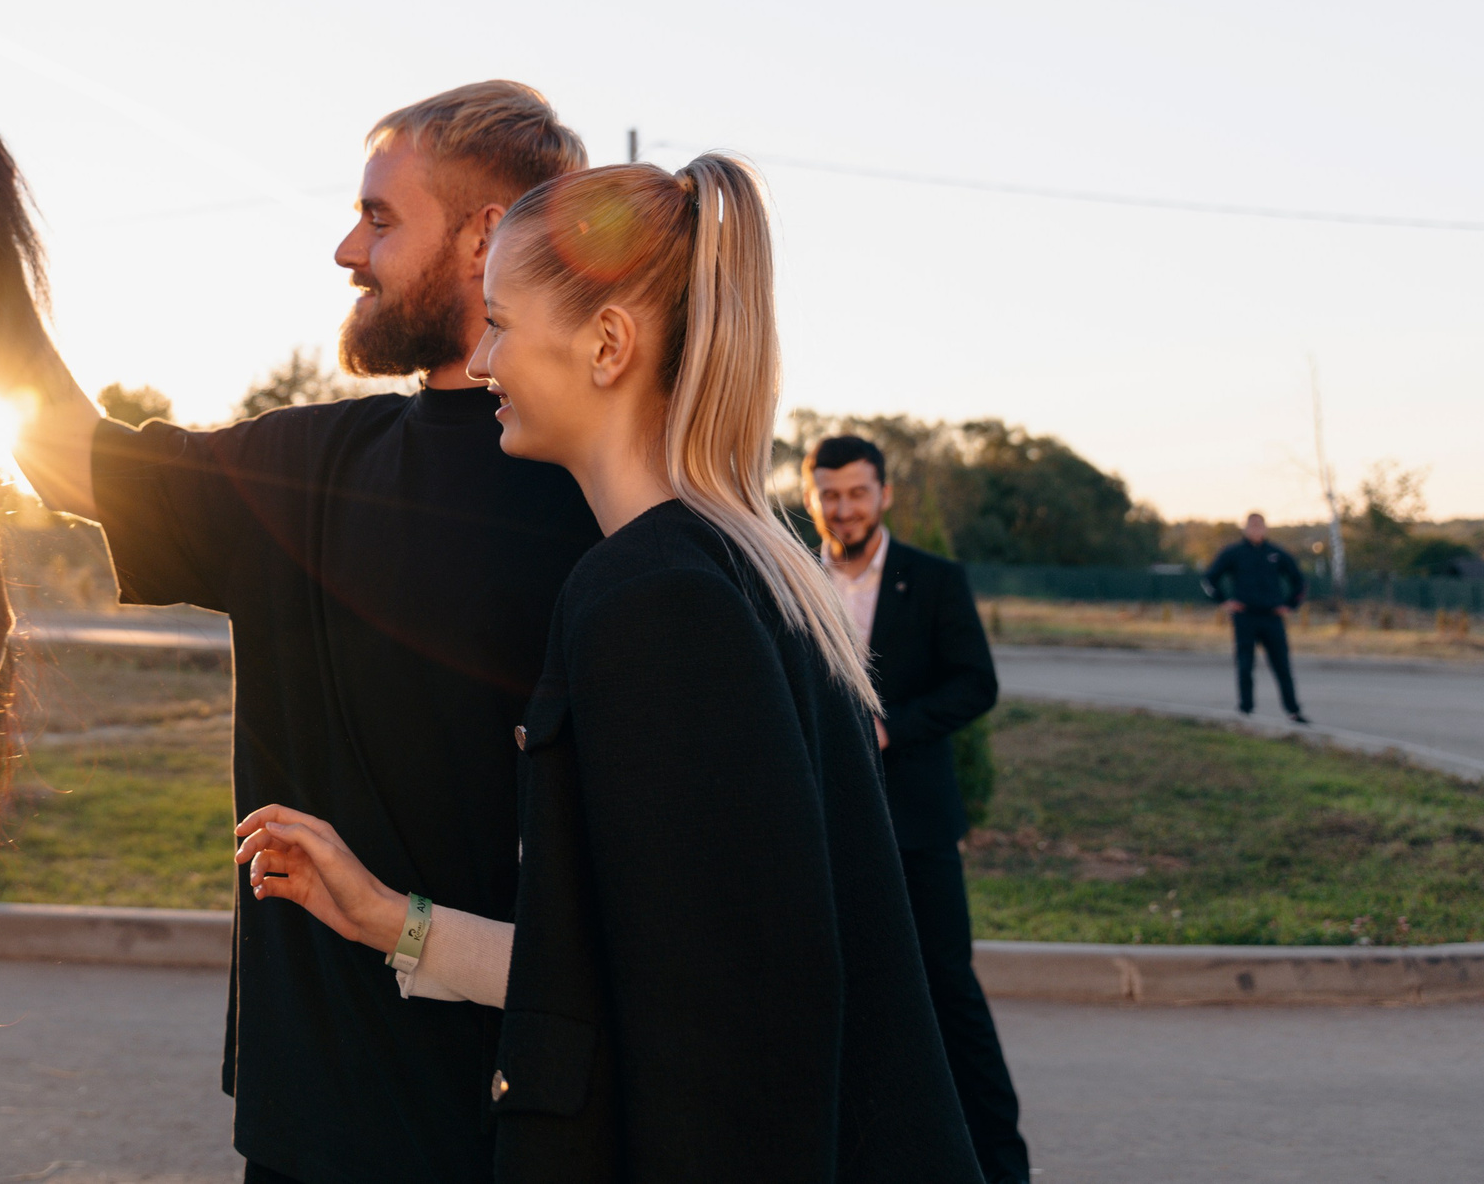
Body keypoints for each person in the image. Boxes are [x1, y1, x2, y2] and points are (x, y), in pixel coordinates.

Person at [233, 158, 980, 1183]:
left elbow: (730, 1062)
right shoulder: (738, 566)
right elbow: (646, 975)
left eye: (498, 322)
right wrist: (386, 919)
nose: (483, 358)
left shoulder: (650, 600)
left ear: (607, 343)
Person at [9, 83, 605, 1184]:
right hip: (339, 1127)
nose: (347, 248)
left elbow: (48, 447)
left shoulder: (622, 508)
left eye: (380, 218)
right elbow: (67, 456)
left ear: (485, 236)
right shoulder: (307, 464)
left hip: (527, 1128)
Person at [803, 435, 1030, 1184]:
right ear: (813, 496)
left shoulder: (934, 580)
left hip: (918, 822)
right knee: (833, 993)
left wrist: (889, 725)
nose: (844, 509)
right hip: (821, 821)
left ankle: (1001, 1165)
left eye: (857, 493)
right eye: (829, 494)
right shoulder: (792, 572)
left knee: (948, 991)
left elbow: (977, 683)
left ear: (885, 493)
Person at [1202, 512, 1308, 723]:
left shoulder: (1276, 553)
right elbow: (1209, 579)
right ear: (1246, 528)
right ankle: (1246, 710)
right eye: (1252, 526)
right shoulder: (1234, 553)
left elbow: (1299, 581)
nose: (1256, 529)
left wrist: (1289, 605)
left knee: (1282, 666)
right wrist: (1224, 601)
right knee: (1245, 665)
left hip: (1272, 617)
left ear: (1265, 528)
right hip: (1245, 617)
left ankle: (1293, 711)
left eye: (1260, 525)